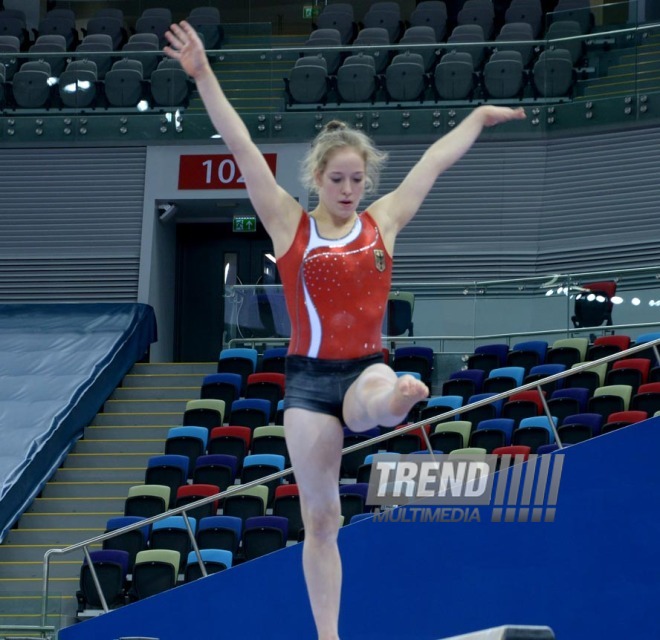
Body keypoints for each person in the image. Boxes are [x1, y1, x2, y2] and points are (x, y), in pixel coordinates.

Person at [164, 21, 526, 640]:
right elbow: (240, 142)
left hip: (366, 367)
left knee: (379, 395)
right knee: (323, 517)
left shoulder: (381, 222)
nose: (351, 190)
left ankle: (399, 398)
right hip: (306, 381)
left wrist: (477, 119)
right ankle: (328, 636)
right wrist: (203, 75)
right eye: (339, 180)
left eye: (359, 180)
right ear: (317, 179)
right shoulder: (288, 225)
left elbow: (434, 161)